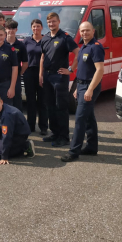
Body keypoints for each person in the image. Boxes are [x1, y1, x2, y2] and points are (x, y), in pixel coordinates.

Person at [61, 22, 105, 162]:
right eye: (82, 31)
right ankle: (92, 147)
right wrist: (77, 89)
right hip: (81, 86)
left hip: (89, 86)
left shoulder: (96, 47)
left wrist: (90, 89)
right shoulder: (83, 47)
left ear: (93, 31)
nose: (85, 33)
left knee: (79, 119)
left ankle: (73, 151)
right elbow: (82, 70)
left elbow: (100, 70)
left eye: (87, 30)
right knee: (89, 117)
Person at [40, 12, 79, 147]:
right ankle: (55, 133)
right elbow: (43, 57)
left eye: (54, 21)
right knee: (50, 106)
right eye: (49, 22)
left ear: (59, 22)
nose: (52, 24)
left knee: (60, 107)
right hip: (47, 76)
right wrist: (41, 74)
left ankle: (63, 137)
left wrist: (71, 69)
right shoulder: (45, 38)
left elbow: (77, 52)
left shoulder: (65, 37)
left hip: (60, 77)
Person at [0, 93, 35, 164]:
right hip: (11, 131)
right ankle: (0, 147)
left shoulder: (7, 115)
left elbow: (7, 136)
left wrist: (4, 156)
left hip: (19, 135)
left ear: (1, 102)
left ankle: (25, 146)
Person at [24, 19, 47, 135]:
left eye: (38, 26)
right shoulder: (27, 41)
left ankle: (43, 127)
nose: (36, 28)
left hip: (42, 73)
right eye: (34, 26)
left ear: (42, 27)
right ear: (31, 28)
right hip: (29, 72)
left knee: (42, 101)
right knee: (30, 101)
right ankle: (30, 125)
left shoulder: (46, 40)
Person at [5, 19, 28, 111]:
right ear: (5, 29)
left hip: (16, 79)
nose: (11, 30)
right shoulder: (1, 44)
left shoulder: (21, 45)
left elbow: (25, 63)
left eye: (13, 28)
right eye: (9, 28)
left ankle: (18, 124)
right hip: (3, 78)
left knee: (17, 102)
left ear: (16, 30)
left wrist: (19, 74)